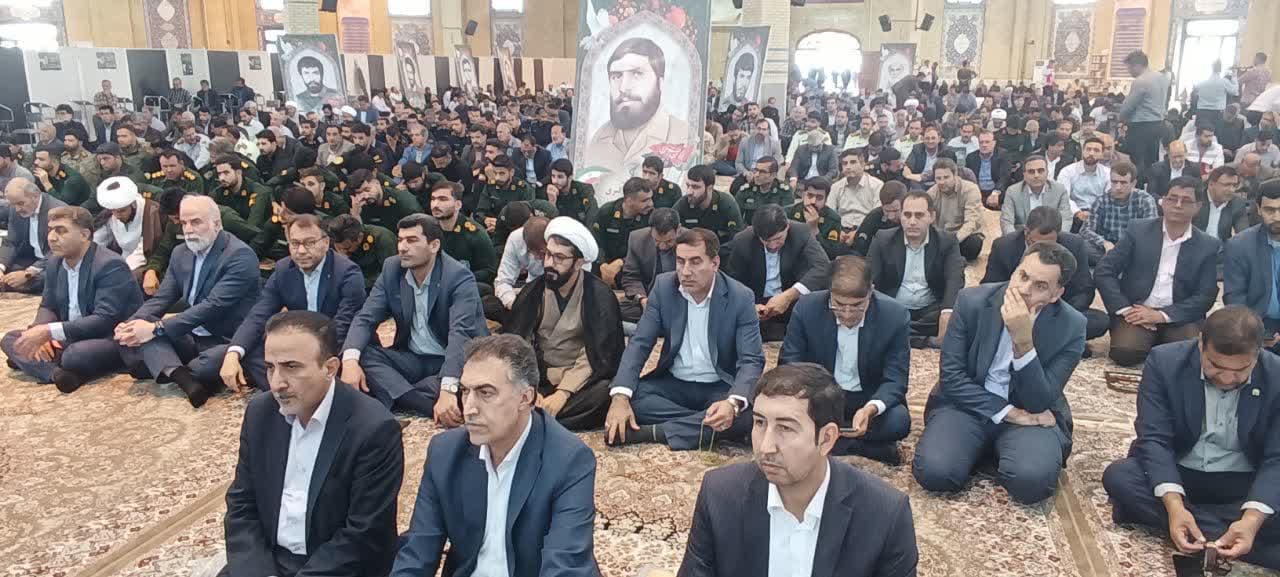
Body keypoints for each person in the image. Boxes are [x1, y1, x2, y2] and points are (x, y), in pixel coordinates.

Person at [677, 363, 918, 576]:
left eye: (785, 428)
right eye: (760, 423)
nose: (766, 447)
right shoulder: (719, 495)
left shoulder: (884, 514)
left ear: (826, 438)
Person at [389, 334, 599, 576]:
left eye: (485, 393)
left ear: (525, 398)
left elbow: (565, 566)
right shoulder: (445, 452)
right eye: (464, 391)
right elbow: (417, 552)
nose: (468, 408)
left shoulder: (569, 460)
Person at [222, 311, 404, 577]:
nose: (277, 383)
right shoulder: (261, 413)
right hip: (269, 560)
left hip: (337, 567)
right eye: (270, 367)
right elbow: (241, 503)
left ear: (330, 368)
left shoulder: (373, 428)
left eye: (291, 367)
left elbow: (363, 533)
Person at [1102, 306, 1280, 570]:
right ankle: (1245, 543)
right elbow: (1154, 439)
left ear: (1257, 355)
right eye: (1215, 366)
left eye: (1240, 370)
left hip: (1244, 482)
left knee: (1269, 499)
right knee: (1120, 476)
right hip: (1180, 472)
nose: (1227, 378)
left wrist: (1252, 519)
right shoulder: (1165, 362)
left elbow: (1276, 458)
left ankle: (1208, 529)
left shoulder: (1276, 375)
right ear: (1200, 344)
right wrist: (1175, 507)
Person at [912, 241, 1086, 504]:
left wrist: (1023, 343)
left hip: (1031, 412)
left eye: (1040, 286)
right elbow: (952, 378)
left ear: (1056, 294)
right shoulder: (971, 301)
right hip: (969, 405)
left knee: (1032, 482)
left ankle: (996, 451)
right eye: (1023, 276)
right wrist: (1010, 413)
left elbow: (1039, 401)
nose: (1024, 290)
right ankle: (979, 448)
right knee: (935, 472)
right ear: (1015, 270)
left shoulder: (1072, 327)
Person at [605, 228, 764, 449]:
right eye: (680, 262)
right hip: (674, 383)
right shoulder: (663, 287)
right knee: (630, 397)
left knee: (746, 412)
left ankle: (655, 432)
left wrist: (731, 404)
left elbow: (751, 360)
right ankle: (708, 426)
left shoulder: (740, 296)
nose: (686, 271)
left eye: (695, 262)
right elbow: (640, 343)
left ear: (715, 263)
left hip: (719, 385)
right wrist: (620, 398)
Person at [115, 196, 261, 408]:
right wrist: (131, 324)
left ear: (217, 224)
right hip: (193, 333)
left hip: (227, 338)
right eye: (184, 223)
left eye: (196, 222)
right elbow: (162, 299)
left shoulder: (240, 255)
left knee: (202, 365)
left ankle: (171, 368)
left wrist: (156, 328)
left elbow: (212, 306)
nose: (188, 230)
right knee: (135, 336)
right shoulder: (180, 252)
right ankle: (184, 378)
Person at [340, 214, 488, 420]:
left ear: (434, 245)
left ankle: (399, 394)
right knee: (361, 355)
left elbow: (460, 334)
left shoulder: (458, 277)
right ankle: (421, 402)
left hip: (453, 359)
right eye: (400, 240)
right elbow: (366, 317)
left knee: (469, 383)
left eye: (411, 240)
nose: (402, 247)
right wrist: (349, 362)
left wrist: (448, 388)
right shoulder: (392, 269)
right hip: (412, 358)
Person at [201, 214, 366, 392]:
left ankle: (293, 386)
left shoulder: (347, 272)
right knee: (221, 360)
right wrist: (234, 353)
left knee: (359, 371)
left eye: (309, 243)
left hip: (334, 347)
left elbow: (343, 324)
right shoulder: (283, 270)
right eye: (295, 243)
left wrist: (308, 355)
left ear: (326, 243)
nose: (301, 251)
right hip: (295, 346)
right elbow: (259, 315)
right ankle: (289, 385)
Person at [778, 256, 912, 464]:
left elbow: (896, 378)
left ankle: (829, 442)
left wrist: (871, 409)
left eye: (857, 306)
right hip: (820, 396)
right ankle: (865, 447)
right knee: (782, 415)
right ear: (829, 292)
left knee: (898, 422)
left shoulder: (894, 315)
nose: (847, 314)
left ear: (871, 292)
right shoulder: (807, 307)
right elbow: (790, 363)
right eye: (839, 305)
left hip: (867, 398)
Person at [1, 205, 142, 392]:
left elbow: (104, 319)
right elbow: (48, 305)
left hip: (110, 336)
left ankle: (39, 362)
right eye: (50, 230)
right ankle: (58, 374)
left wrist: (49, 332)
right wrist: (39, 333)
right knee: (11, 339)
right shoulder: (54, 261)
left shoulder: (110, 265)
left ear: (84, 235)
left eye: (61, 231)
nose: (52, 237)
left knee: (74, 355)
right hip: (71, 334)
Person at [502, 217, 623, 430]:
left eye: (559, 258)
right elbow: (516, 344)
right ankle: (541, 414)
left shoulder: (599, 296)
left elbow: (599, 355)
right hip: (539, 377)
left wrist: (564, 393)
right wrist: (530, 387)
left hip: (580, 380)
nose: (549, 263)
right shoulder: (533, 292)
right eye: (548, 255)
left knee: (605, 392)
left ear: (578, 263)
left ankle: (533, 417)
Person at [1095, 177, 1221, 367]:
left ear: (1198, 207)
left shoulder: (1207, 245)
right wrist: (1125, 309)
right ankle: (1152, 340)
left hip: (1179, 315)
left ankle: (1161, 340)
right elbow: (1104, 271)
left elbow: (1206, 295)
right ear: (1163, 201)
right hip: (1137, 311)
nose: (1177, 205)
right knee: (1125, 352)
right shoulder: (1138, 230)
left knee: (1189, 357)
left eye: (1186, 201)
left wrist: (1161, 316)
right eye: (1172, 198)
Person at [584, 38, 692, 197]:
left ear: (660, 83)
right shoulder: (598, 139)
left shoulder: (682, 135)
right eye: (616, 76)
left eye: (636, 74)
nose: (623, 88)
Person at [984, 206, 1104, 339]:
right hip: (1015, 308)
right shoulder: (1004, 246)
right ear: (1026, 232)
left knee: (1099, 321)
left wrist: (1061, 313)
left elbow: (1084, 289)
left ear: (1058, 235)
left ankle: (1045, 336)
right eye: (1036, 243)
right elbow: (990, 287)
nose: (1042, 249)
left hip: (1057, 310)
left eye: (1049, 244)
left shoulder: (1074, 245)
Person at [868, 190, 965, 347]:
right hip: (894, 307)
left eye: (919, 215)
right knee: (872, 313)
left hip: (930, 312)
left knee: (958, 313)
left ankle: (900, 334)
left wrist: (947, 313)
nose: (912, 221)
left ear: (931, 217)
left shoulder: (947, 241)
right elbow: (870, 278)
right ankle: (923, 339)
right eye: (907, 215)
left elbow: (955, 279)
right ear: (901, 216)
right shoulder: (883, 239)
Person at [727, 204, 831, 341]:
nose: (772, 246)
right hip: (757, 306)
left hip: (793, 301)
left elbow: (823, 267)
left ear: (787, 227)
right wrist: (748, 306)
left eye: (778, 239)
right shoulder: (743, 240)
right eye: (766, 241)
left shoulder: (801, 232)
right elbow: (733, 281)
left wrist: (789, 295)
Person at [1223, 179, 1280, 352]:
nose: (1277, 217)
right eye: (1270, 210)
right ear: (1258, 209)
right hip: (1256, 324)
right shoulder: (1239, 245)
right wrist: (1253, 331)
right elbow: (1235, 297)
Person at [1079, 160, 1159, 262]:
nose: (1118, 187)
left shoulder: (1145, 200)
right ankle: (1118, 262)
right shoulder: (1101, 200)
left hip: (1134, 248)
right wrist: (1104, 243)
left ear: (1133, 183)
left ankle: (1111, 262)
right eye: (1114, 182)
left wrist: (1127, 247)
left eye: (1123, 183)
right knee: (1081, 245)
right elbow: (1086, 230)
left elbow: (1151, 231)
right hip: (1107, 248)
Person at [92, 176, 164, 286]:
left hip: (144, 263)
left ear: (133, 205)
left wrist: (121, 270)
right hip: (121, 261)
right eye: (113, 211)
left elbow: (143, 251)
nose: (117, 216)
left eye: (122, 211)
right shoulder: (111, 215)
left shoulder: (150, 212)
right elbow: (99, 240)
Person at [1, 178, 67, 294]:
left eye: (21, 203)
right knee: (7, 276)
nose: (17, 209)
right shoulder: (15, 209)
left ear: (35, 196)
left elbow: (59, 249)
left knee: (51, 276)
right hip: (30, 258)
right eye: (13, 204)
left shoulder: (58, 211)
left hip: (55, 260)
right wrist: (1, 267)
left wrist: (28, 273)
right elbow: (11, 242)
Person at [619, 207, 681, 323]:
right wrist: (642, 299)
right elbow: (631, 277)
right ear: (651, 230)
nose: (662, 247)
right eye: (657, 241)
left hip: (680, 301)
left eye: (669, 241)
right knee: (612, 310)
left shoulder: (690, 241)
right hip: (649, 300)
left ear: (678, 229)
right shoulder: (637, 239)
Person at [591, 176, 654, 288]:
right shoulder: (607, 212)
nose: (651, 204)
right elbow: (595, 241)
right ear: (629, 201)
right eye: (645, 200)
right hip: (603, 268)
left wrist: (621, 262)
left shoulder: (651, 217)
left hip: (633, 271)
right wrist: (603, 265)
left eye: (650, 198)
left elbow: (648, 251)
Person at [1118, 51, 1170, 184]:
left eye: (1129, 68)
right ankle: (1151, 187)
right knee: (1151, 161)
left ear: (1136, 65)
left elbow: (1128, 107)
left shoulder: (1141, 81)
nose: (1129, 71)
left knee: (1137, 162)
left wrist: (1121, 119)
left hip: (1141, 126)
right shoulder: (1162, 78)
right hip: (1158, 123)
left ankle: (1138, 188)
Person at [675, 164, 743, 253]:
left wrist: (712, 253)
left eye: (695, 187)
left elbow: (736, 238)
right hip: (691, 252)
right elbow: (669, 226)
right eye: (688, 186)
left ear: (709, 188)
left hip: (720, 252)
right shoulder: (684, 203)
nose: (689, 192)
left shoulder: (726, 203)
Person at [926, 158, 985, 261]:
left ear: (955, 175)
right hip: (943, 236)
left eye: (946, 177)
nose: (942, 182)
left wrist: (953, 242)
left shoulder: (971, 189)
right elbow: (929, 221)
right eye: (938, 178)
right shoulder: (931, 193)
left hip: (964, 236)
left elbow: (971, 222)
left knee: (973, 244)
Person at [1000, 155, 1072, 235]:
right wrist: (1015, 240)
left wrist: (1055, 238)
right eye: (1031, 172)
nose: (1036, 175)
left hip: (1051, 237)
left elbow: (1066, 219)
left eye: (1040, 171)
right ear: (1024, 175)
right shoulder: (1013, 191)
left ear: (1047, 172)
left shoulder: (1059, 190)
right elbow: (1006, 222)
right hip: (1022, 237)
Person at [326, 214, 396, 290]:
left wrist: (358, 282)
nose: (342, 254)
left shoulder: (384, 239)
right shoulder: (335, 239)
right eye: (338, 249)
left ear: (359, 237)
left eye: (347, 248)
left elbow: (390, 275)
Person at [1058, 137, 1112, 231]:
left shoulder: (1108, 174)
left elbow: (1109, 199)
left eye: (1096, 150)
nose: (1091, 153)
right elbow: (1063, 197)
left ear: (1102, 154)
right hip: (1073, 215)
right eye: (1088, 149)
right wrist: (1077, 212)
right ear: (1082, 151)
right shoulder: (1067, 171)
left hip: (1099, 216)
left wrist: (1094, 214)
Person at [788, 176, 847, 260]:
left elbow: (831, 254)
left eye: (819, 198)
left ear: (826, 200)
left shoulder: (833, 219)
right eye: (810, 195)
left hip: (816, 261)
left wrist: (815, 230)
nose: (813, 201)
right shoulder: (790, 212)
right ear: (803, 195)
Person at [828, 149, 884, 239]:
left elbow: (876, 215)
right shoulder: (836, 187)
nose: (848, 167)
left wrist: (858, 232)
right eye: (844, 163)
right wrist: (837, 231)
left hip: (867, 230)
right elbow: (829, 212)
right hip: (841, 230)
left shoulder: (877, 185)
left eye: (853, 162)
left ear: (862, 165)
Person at [1195, 165, 1250, 242]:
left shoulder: (1238, 203)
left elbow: (1244, 234)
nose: (1231, 190)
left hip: (1221, 247)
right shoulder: (1196, 199)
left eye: (1234, 185)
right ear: (1211, 184)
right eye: (1226, 185)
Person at [851, 181, 905, 256]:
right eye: (887, 211)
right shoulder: (875, 216)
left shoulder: (913, 219)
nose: (891, 216)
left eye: (895, 211)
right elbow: (859, 248)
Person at [539, 158, 598, 224]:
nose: (555, 181)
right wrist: (552, 203)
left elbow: (592, 214)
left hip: (580, 228)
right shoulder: (549, 191)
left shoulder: (583, 189)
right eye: (553, 176)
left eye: (560, 177)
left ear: (570, 177)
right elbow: (548, 222)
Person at [967, 131, 1013, 209]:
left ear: (994, 143)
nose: (984, 145)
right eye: (981, 142)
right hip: (977, 191)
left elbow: (1004, 177)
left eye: (987, 142)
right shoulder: (971, 157)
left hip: (996, 190)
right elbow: (968, 180)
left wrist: (995, 193)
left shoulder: (1003, 155)